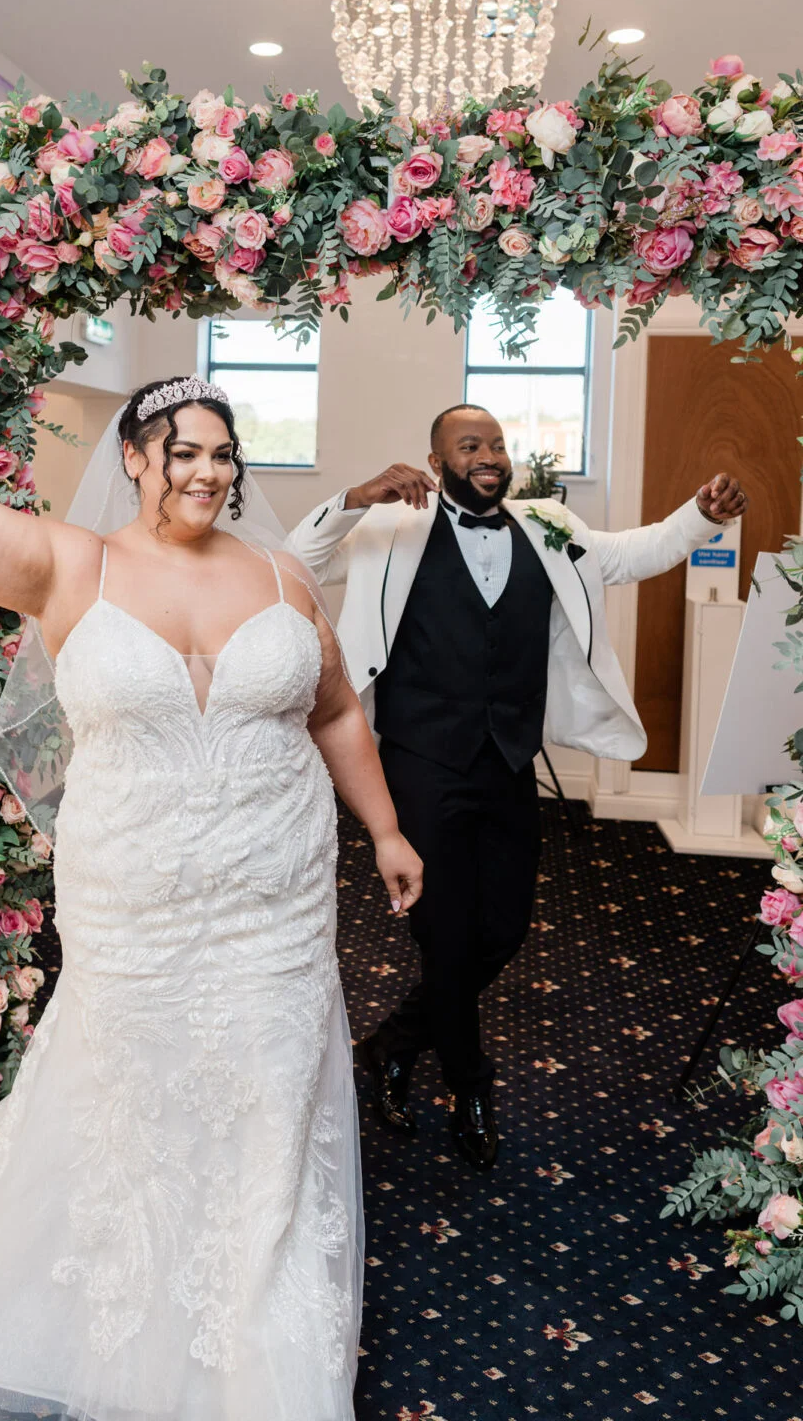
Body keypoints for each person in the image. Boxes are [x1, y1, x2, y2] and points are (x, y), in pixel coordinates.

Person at [0, 278, 423, 1421]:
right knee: (135, 1113)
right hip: (136, 913)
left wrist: (385, 828)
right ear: (133, 456)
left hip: (273, 911)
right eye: (184, 451)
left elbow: (332, 711)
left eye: (224, 454)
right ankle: (111, 1328)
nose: (210, 473)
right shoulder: (69, 566)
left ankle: (256, 1344)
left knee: (269, 1112)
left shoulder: (279, 574)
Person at [287, 402, 747, 1172]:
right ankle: (470, 1085)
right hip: (419, 762)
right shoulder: (391, 530)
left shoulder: (548, 526)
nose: (489, 455)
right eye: (469, 446)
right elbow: (297, 558)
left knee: (504, 929)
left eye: (496, 443)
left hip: (507, 761)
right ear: (438, 463)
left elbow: (633, 553)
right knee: (446, 932)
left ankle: (394, 1044)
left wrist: (698, 516)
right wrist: (357, 496)